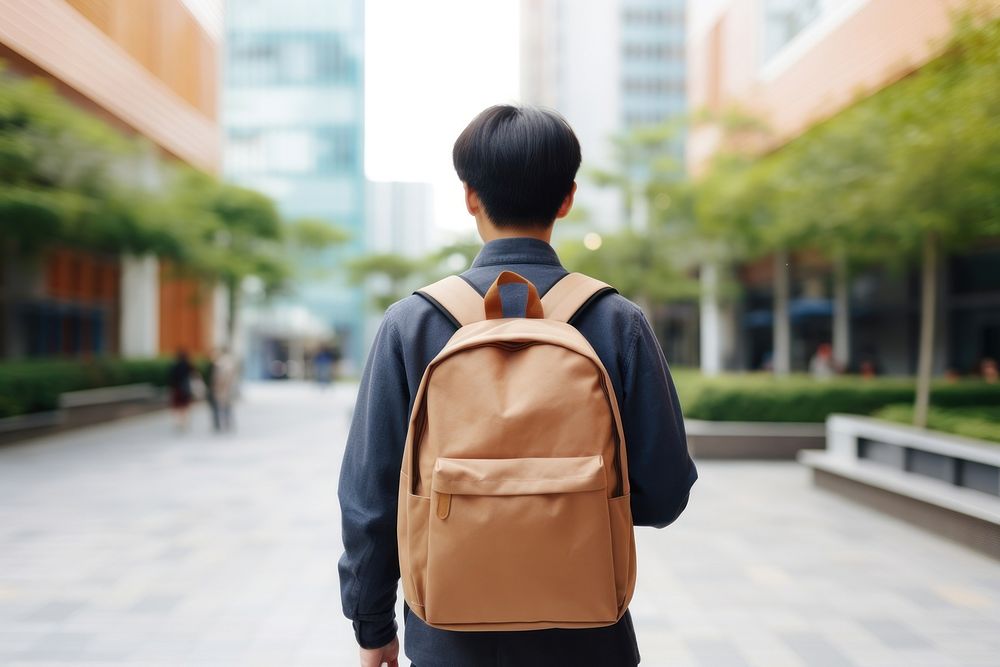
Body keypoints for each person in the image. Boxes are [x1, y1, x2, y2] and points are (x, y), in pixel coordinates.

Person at [338, 105, 697, 667]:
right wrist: (571, 506)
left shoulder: (413, 323)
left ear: (469, 197)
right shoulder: (617, 321)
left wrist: (371, 624)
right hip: (589, 634)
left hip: (448, 638)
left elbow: (370, 498)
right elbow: (666, 492)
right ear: (567, 199)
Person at [208, 348, 237, 432]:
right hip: (227, 389)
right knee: (227, 407)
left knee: (219, 407)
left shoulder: (220, 364)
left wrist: (216, 387)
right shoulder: (230, 363)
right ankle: (227, 423)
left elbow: (218, 378)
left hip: (221, 389)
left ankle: (220, 424)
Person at [167, 349, 195, 432]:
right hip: (186, 389)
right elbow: (194, 375)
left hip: (177, 389)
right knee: (185, 406)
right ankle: (184, 422)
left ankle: (178, 421)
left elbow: (170, 378)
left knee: (177, 406)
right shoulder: (189, 365)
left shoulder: (174, 365)